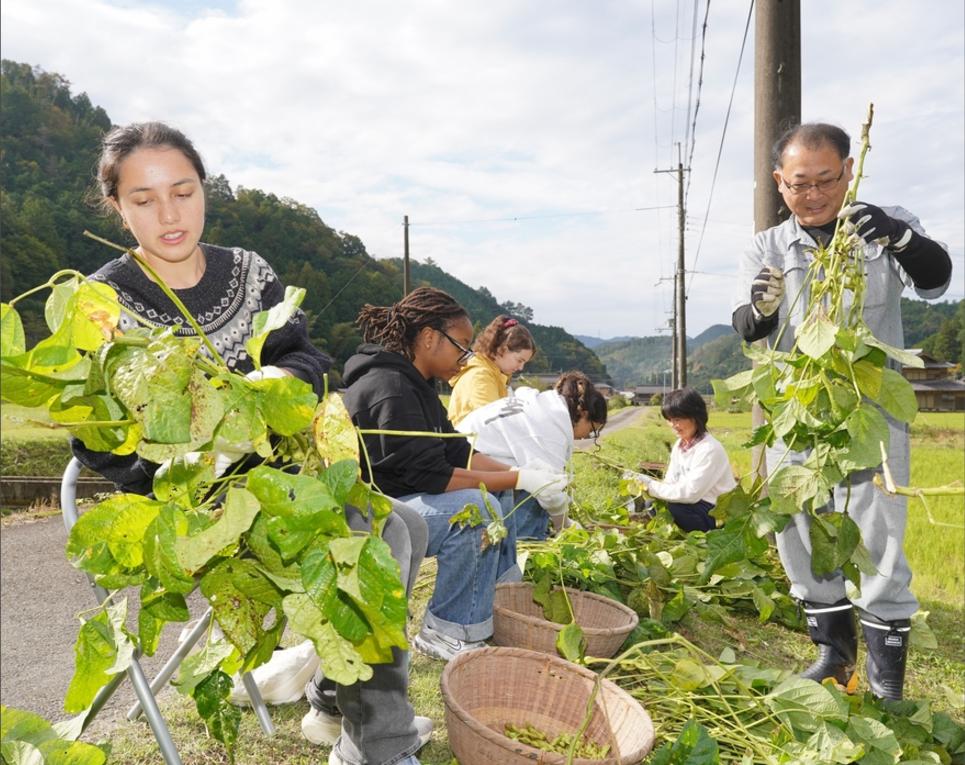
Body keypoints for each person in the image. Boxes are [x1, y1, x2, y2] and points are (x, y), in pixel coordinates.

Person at [71, 121, 429, 765]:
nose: (169, 214)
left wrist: (276, 378)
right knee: (386, 535)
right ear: (118, 208)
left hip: (279, 476)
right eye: (144, 200)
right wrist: (187, 465)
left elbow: (311, 360)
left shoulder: (248, 271)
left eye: (182, 191)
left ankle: (330, 700)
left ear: (204, 189)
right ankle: (378, 745)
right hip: (197, 507)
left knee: (408, 524)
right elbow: (95, 440)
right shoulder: (103, 301)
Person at [731, 122, 952, 701]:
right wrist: (760, 307)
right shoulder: (768, 246)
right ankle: (833, 654)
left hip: (869, 410)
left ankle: (886, 680)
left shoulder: (883, 226)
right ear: (780, 184)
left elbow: (936, 280)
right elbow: (748, 330)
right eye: (799, 184)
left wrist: (900, 237)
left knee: (878, 533)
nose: (814, 194)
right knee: (800, 532)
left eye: (826, 180)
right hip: (798, 409)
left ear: (849, 171)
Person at [327, 287, 568, 661]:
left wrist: (517, 472)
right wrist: (520, 480)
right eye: (462, 345)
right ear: (428, 338)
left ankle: (495, 606)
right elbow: (433, 476)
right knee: (476, 509)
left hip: (406, 503)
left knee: (498, 495)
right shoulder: (390, 389)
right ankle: (445, 631)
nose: (467, 355)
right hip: (372, 515)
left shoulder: (417, 386)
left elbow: (458, 450)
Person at [455, 371, 607, 539]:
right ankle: (522, 545)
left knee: (533, 479)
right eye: (593, 430)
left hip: (467, 466)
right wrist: (564, 525)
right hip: (468, 478)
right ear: (584, 414)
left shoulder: (543, 405)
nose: (587, 437)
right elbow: (549, 491)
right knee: (536, 489)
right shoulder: (550, 427)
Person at [624, 388, 735, 533]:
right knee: (654, 504)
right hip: (697, 505)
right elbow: (671, 481)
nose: (673, 425)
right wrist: (645, 485)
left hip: (717, 512)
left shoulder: (709, 449)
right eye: (669, 420)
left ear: (695, 417)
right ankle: (683, 535)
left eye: (677, 419)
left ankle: (707, 537)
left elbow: (691, 494)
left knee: (675, 508)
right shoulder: (680, 445)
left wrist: (650, 486)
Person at [447, 314, 536, 426]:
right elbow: (494, 423)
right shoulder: (480, 377)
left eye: (524, 363)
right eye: (519, 360)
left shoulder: (492, 374)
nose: (521, 368)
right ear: (502, 349)